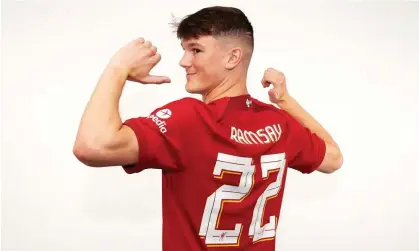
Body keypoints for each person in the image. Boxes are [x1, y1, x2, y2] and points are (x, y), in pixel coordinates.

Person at [73, 6, 343, 251]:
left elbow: (93, 146)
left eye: (195, 50)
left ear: (232, 57)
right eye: (184, 50)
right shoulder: (278, 123)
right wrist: (285, 101)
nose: (183, 61)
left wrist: (117, 69)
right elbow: (333, 158)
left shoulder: (189, 119)